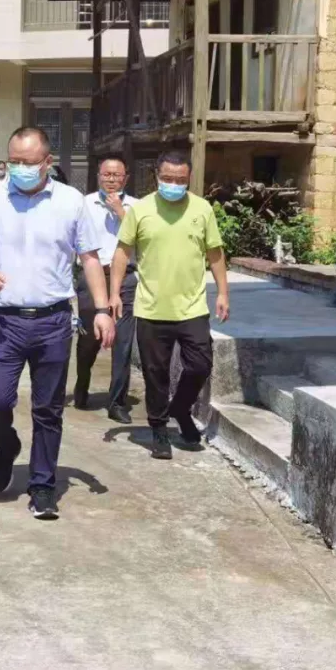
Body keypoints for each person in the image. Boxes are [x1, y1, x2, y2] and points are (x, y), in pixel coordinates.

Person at [0, 126, 115, 520]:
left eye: (28, 162)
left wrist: (101, 309)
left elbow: (90, 258)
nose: (19, 168)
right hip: (6, 321)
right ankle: (6, 445)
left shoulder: (71, 201)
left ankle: (42, 486)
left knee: (48, 409)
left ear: (47, 162)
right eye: (13, 161)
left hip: (53, 322)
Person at [110, 149, 229, 461]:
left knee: (201, 365)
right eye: (167, 178)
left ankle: (180, 407)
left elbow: (215, 253)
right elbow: (122, 253)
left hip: (192, 307)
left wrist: (223, 293)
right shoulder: (140, 210)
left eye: (180, 180)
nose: (173, 184)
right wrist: (114, 294)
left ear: (189, 178)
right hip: (151, 308)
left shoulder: (202, 209)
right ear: (156, 177)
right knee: (156, 374)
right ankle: (159, 429)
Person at [74, 155, 139, 423]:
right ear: (98, 176)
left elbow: (143, 239)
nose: (111, 180)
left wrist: (122, 213)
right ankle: (82, 383)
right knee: (89, 339)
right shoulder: (84, 204)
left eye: (117, 175)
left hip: (125, 280)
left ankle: (117, 402)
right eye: (106, 175)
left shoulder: (137, 206)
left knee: (123, 342)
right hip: (93, 277)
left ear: (126, 178)